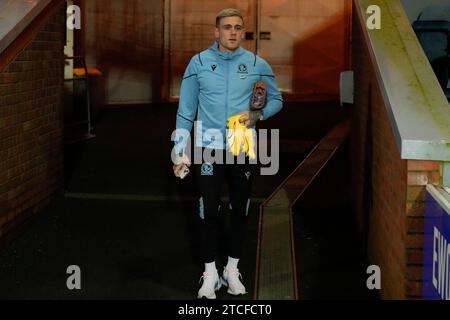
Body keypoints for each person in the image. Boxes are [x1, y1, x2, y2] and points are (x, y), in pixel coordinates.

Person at [172, 8, 283, 299]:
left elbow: (277, 100)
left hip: (241, 148)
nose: (233, 32)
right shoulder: (198, 63)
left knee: (239, 210)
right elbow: (186, 111)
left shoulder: (257, 64)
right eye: (227, 27)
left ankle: (232, 270)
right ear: (216, 32)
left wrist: (258, 117)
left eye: (238, 27)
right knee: (208, 210)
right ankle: (210, 274)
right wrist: (179, 148)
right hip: (208, 148)